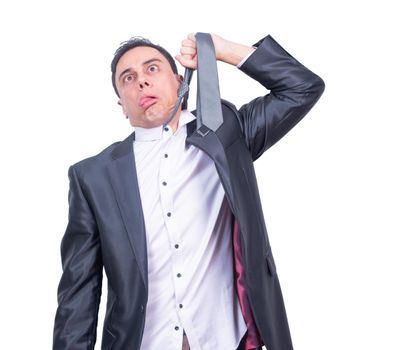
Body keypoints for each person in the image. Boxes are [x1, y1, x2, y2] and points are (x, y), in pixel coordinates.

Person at [53, 32, 324, 350]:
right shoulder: (93, 176)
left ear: (180, 81)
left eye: (152, 69)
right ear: (121, 106)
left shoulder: (226, 134)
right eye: (128, 78)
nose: (141, 81)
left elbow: (302, 88)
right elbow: (79, 292)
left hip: (226, 341)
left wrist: (218, 51)